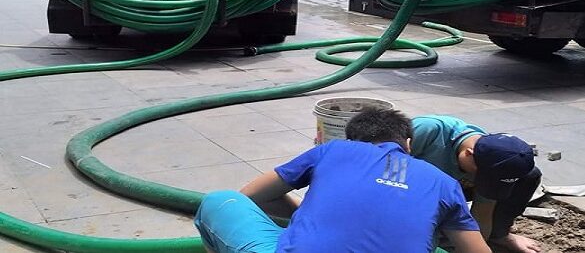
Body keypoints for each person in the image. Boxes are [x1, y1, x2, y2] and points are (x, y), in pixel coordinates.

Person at [194, 108, 490, 253]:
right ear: (409, 145)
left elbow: (251, 195)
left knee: (221, 200)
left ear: (352, 141)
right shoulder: (444, 182)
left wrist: (308, 217)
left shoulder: (333, 150)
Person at [411, 115, 543, 253]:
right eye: (480, 176)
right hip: (407, 186)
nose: (479, 180)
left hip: (449, 188)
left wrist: (477, 247)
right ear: (469, 154)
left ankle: (499, 235)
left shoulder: (493, 165)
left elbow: (483, 212)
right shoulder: (428, 131)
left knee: (530, 176)